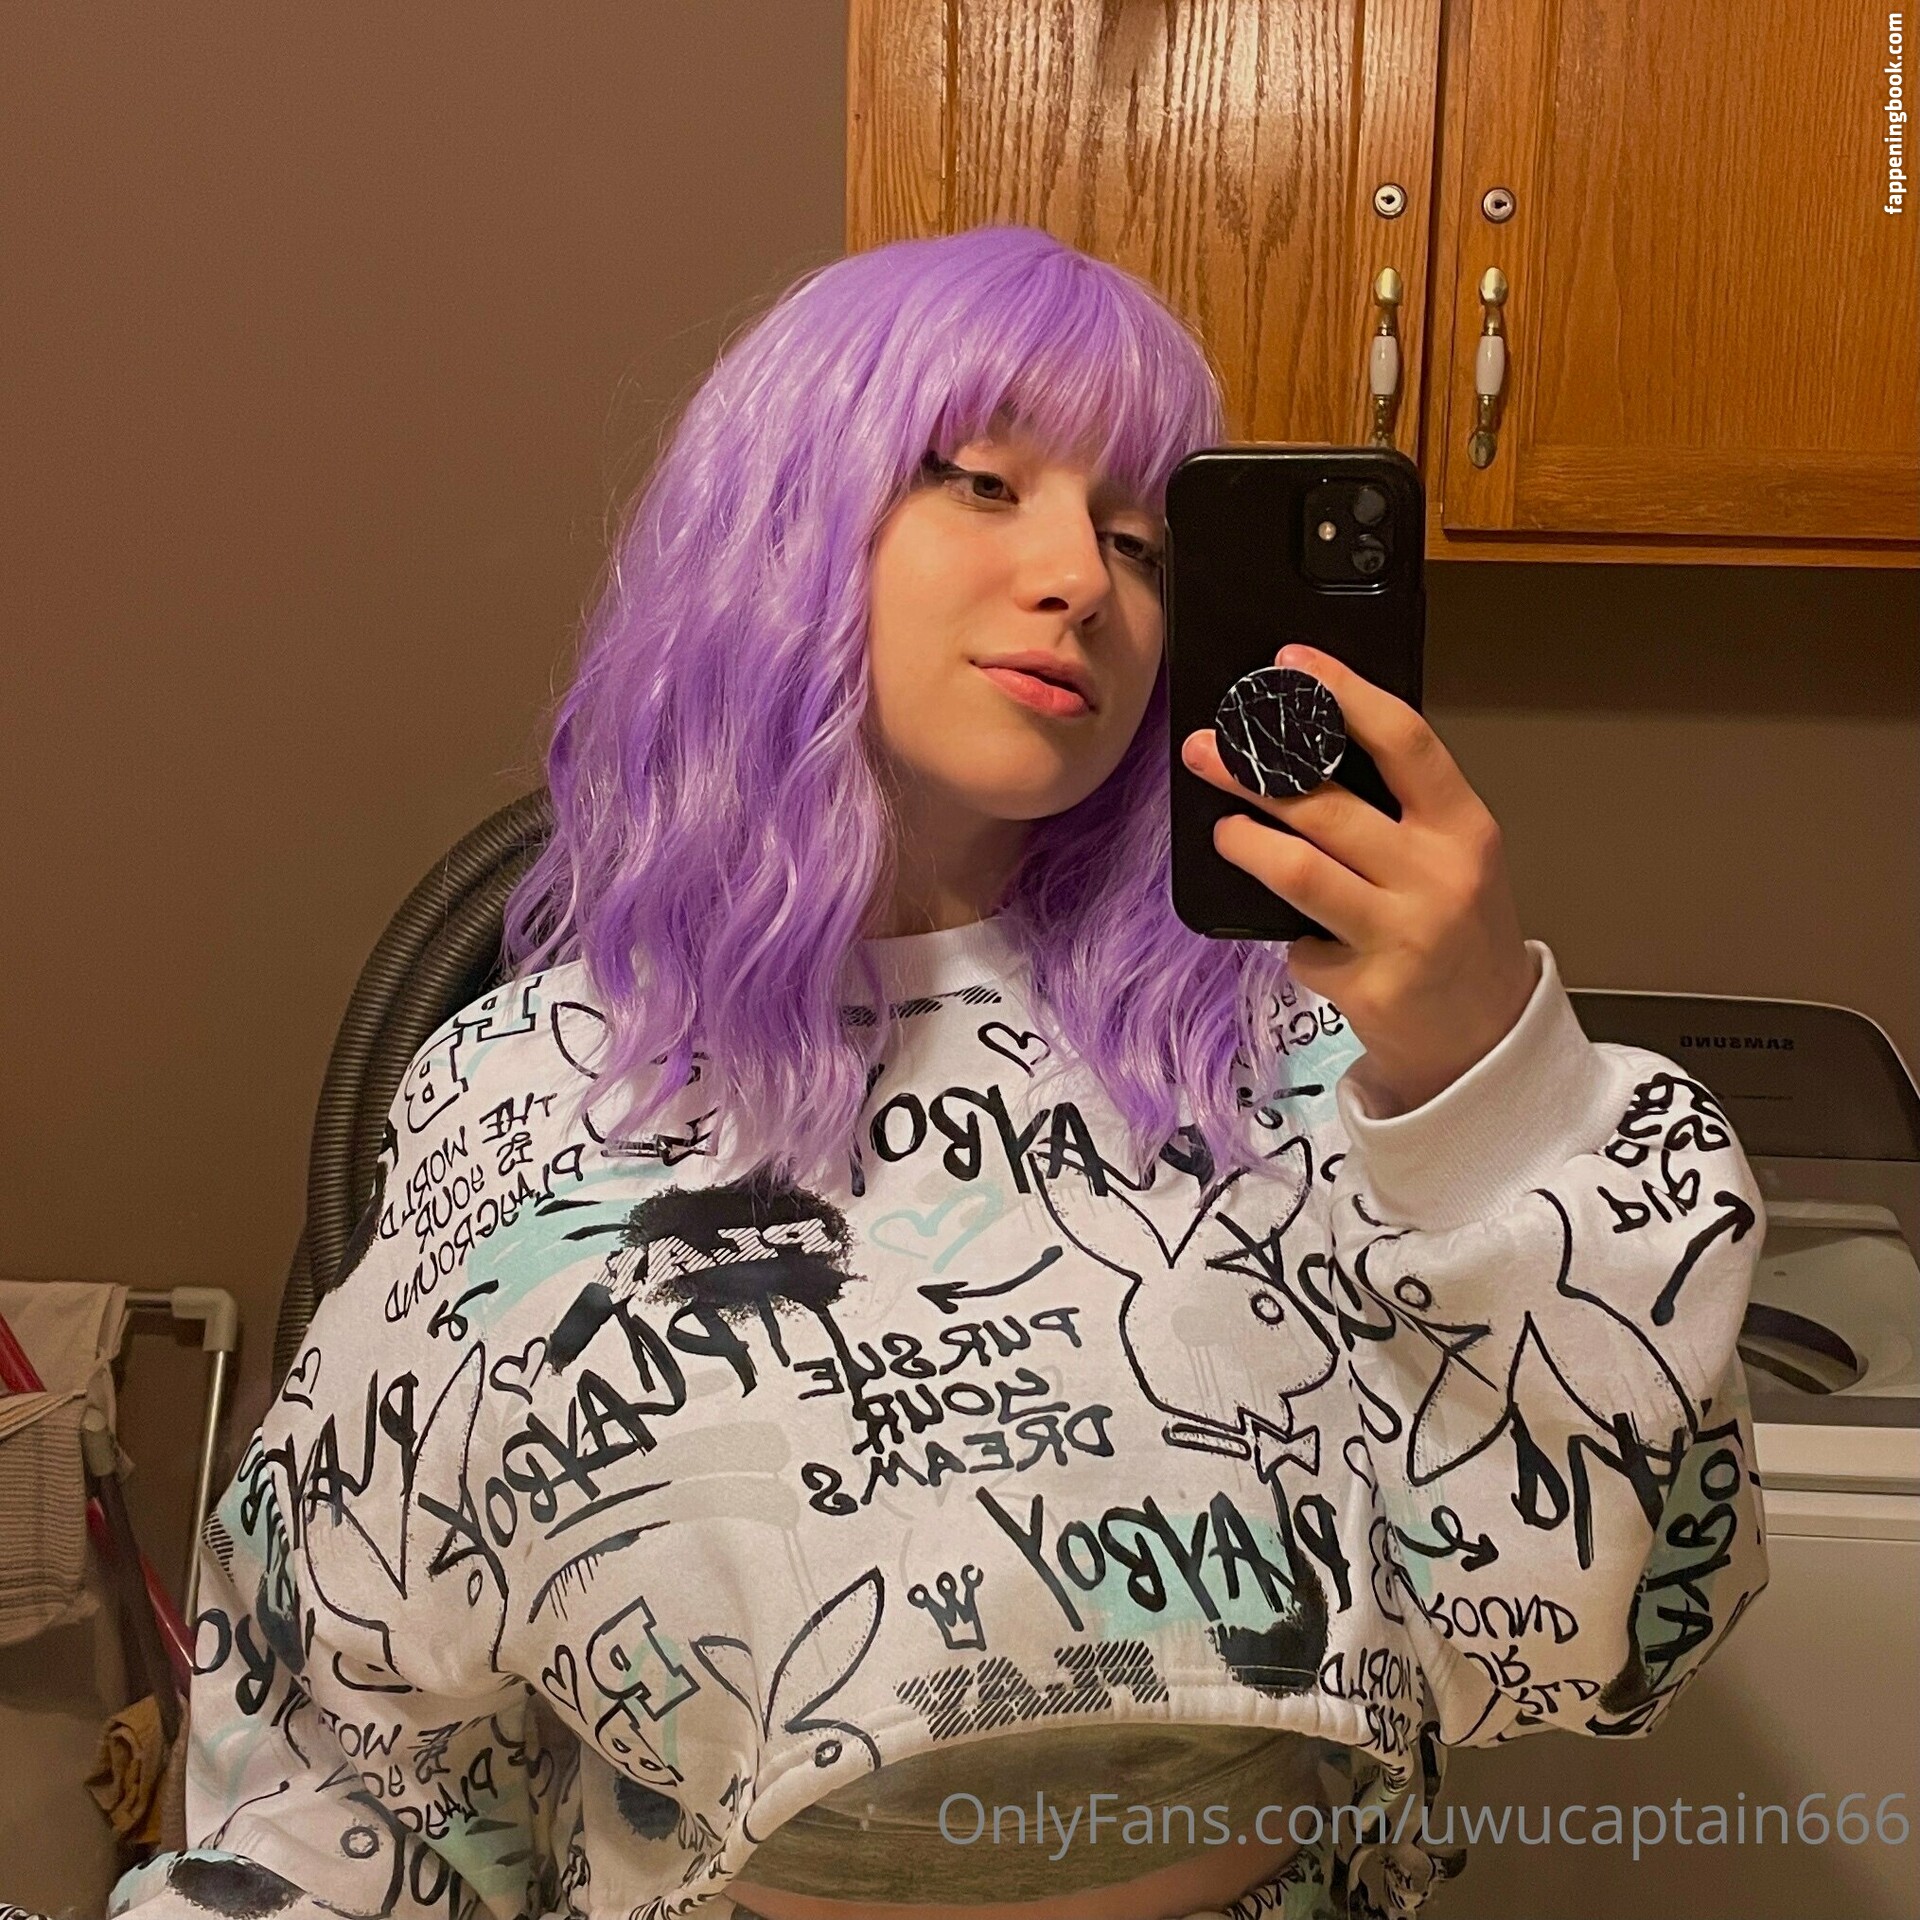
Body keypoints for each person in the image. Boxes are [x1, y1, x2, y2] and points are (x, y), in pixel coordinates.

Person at [72, 225, 1767, 1920]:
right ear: (785, 510)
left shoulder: (1303, 1058)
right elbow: (356, 1765)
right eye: (982, 481)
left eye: (1139, 540)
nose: (1083, 578)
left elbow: (1623, 1629)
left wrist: (1489, 1087)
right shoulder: (528, 1092)